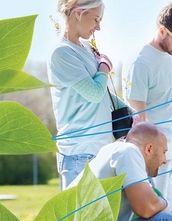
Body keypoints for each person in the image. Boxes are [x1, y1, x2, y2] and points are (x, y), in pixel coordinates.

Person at [125, 3, 172, 212]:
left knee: (171, 214)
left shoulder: (168, 57)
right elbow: (138, 119)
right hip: (152, 157)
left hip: (169, 150)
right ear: (162, 31)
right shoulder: (141, 62)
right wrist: (154, 156)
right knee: (156, 216)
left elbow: (167, 107)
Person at [49, 0, 116, 189]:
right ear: (79, 13)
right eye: (96, 19)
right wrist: (104, 67)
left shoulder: (85, 49)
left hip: (99, 151)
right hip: (79, 155)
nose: (99, 27)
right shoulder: (62, 53)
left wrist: (131, 114)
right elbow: (94, 93)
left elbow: (102, 96)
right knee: (80, 219)